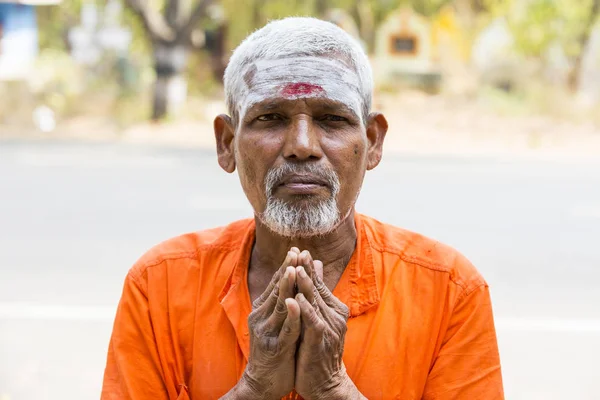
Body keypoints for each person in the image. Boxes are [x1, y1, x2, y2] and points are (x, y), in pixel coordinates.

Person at [101, 17, 503, 400]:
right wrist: (254, 388)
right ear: (227, 144)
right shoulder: (161, 285)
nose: (303, 145)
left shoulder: (448, 290)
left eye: (332, 119)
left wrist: (332, 388)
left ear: (373, 142)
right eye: (271, 118)